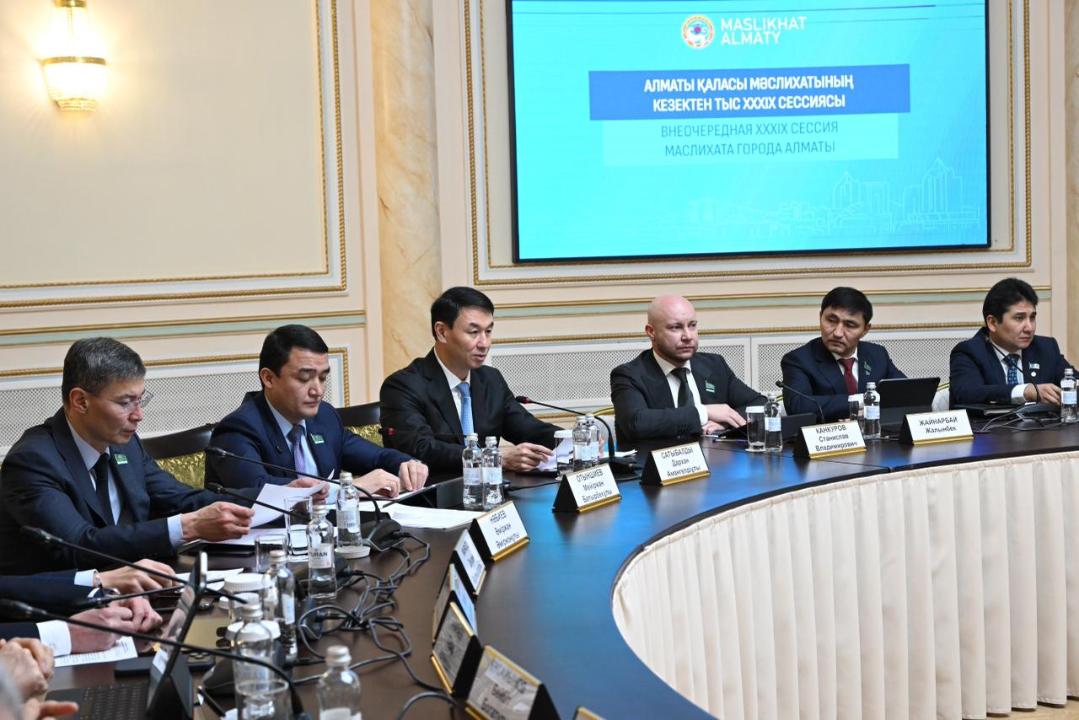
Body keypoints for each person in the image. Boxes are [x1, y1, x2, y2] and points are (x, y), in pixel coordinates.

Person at [0, 337, 321, 575]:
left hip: (135, 589)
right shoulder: (33, 462)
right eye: (125, 402)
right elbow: (78, 545)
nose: (139, 415)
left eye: (141, 400)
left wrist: (278, 497)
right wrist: (188, 527)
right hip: (59, 614)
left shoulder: (125, 445)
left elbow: (182, 499)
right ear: (80, 401)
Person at [206, 324, 427, 495]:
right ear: (269, 378)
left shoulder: (324, 417)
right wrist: (349, 490)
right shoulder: (238, 429)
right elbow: (260, 490)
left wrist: (407, 464)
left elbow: (377, 457)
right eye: (304, 378)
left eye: (323, 378)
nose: (318, 391)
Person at [380, 287, 559, 473]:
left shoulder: (490, 379)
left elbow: (528, 429)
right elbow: (421, 448)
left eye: (488, 331)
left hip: (490, 488)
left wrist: (571, 439)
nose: (484, 343)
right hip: (435, 488)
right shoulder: (403, 386)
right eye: (474, 332)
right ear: (441, 332)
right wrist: (493, 457)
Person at [610, 295, 766, 445]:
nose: (688, 336)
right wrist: (703, 413)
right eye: (675, 327)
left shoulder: (714, 365)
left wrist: (726, 422)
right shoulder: (629, 375)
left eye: (692, 325)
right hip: (656, 461)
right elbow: (636, 423)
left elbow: (760, 404)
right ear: (651, 332)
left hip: (715, 459)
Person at [780, 287, 906, 421]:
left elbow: (906, 392)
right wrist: (862, 401)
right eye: (831, 320)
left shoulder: (877, 354)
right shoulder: (798, 360)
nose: (837, 333)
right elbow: (799, 406)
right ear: (820, 317)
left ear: (865, 330)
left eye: (850, 325)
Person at [950, 277, 1074, 406]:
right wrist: (1024, 391)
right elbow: (968, 393)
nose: (1029, 328)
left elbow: (1073, 382)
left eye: (1032, 317)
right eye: (1019, 318)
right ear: (992, 323)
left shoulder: (1046, 348)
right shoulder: (969, 352)